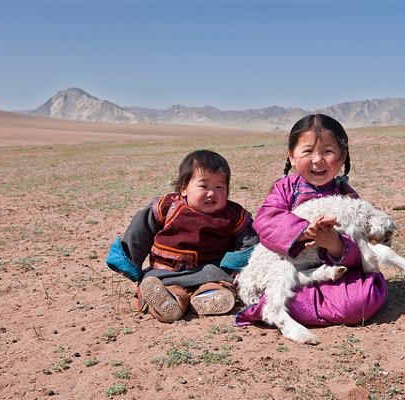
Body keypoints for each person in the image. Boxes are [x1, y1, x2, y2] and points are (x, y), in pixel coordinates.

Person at [236, 114, 388, 327]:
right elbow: (267, 221)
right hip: (293, 269)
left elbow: (362, 243)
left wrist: (334, 244)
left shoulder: (347, 197)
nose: (317, 160)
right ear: (292, 156)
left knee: (361, 299)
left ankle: (290, 308)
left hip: (334, 271)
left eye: (328, 151)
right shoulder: (285, 189)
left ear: (343, 156)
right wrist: (305, 232)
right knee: (283, 288)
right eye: (307, 151)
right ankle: (279, 306)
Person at [106, 150, 258, 323]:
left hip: (211, 271)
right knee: (160, 287)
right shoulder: (167, 207)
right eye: (204, 186)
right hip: (166, 272)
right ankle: (171, 302)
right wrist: (130, 260)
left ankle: (211, 296)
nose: (211, 193)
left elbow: (249, 241)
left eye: (219, 187)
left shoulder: (233, 215)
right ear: (184, 188)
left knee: (220, 284)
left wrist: (236, 266)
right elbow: (140, 230)